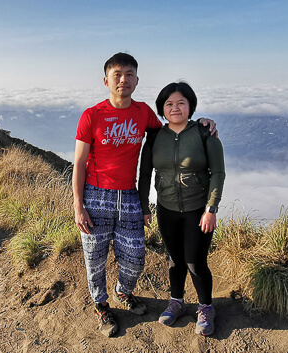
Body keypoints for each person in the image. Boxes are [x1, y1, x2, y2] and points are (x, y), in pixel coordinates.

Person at [73, 53, 216, 337]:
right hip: (95, 194)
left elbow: (170, 129)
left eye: (129, 74)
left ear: (137, 81)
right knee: (95, 257)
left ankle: (123, 292)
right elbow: (79, 162)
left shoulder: (143, 113)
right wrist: (78, 205)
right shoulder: (91, 115)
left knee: (136, 255)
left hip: (128, 195)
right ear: (106, 80)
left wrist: (201, 124)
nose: (123, 79)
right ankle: (101, 306)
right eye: (117, 74)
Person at [138, 81, 226, 336]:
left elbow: (218, 173)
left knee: (195, 262)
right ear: (162, 109)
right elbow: (144, 174)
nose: (175, 108)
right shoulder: (155, 137)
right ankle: (176, 301)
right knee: (174, 260)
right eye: (169, 104)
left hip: (198, 210)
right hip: (166, 209)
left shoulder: (204, 133)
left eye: (181, 103)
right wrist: (145, 207)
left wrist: (212, 209)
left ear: (190, 106)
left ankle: (206, 307)